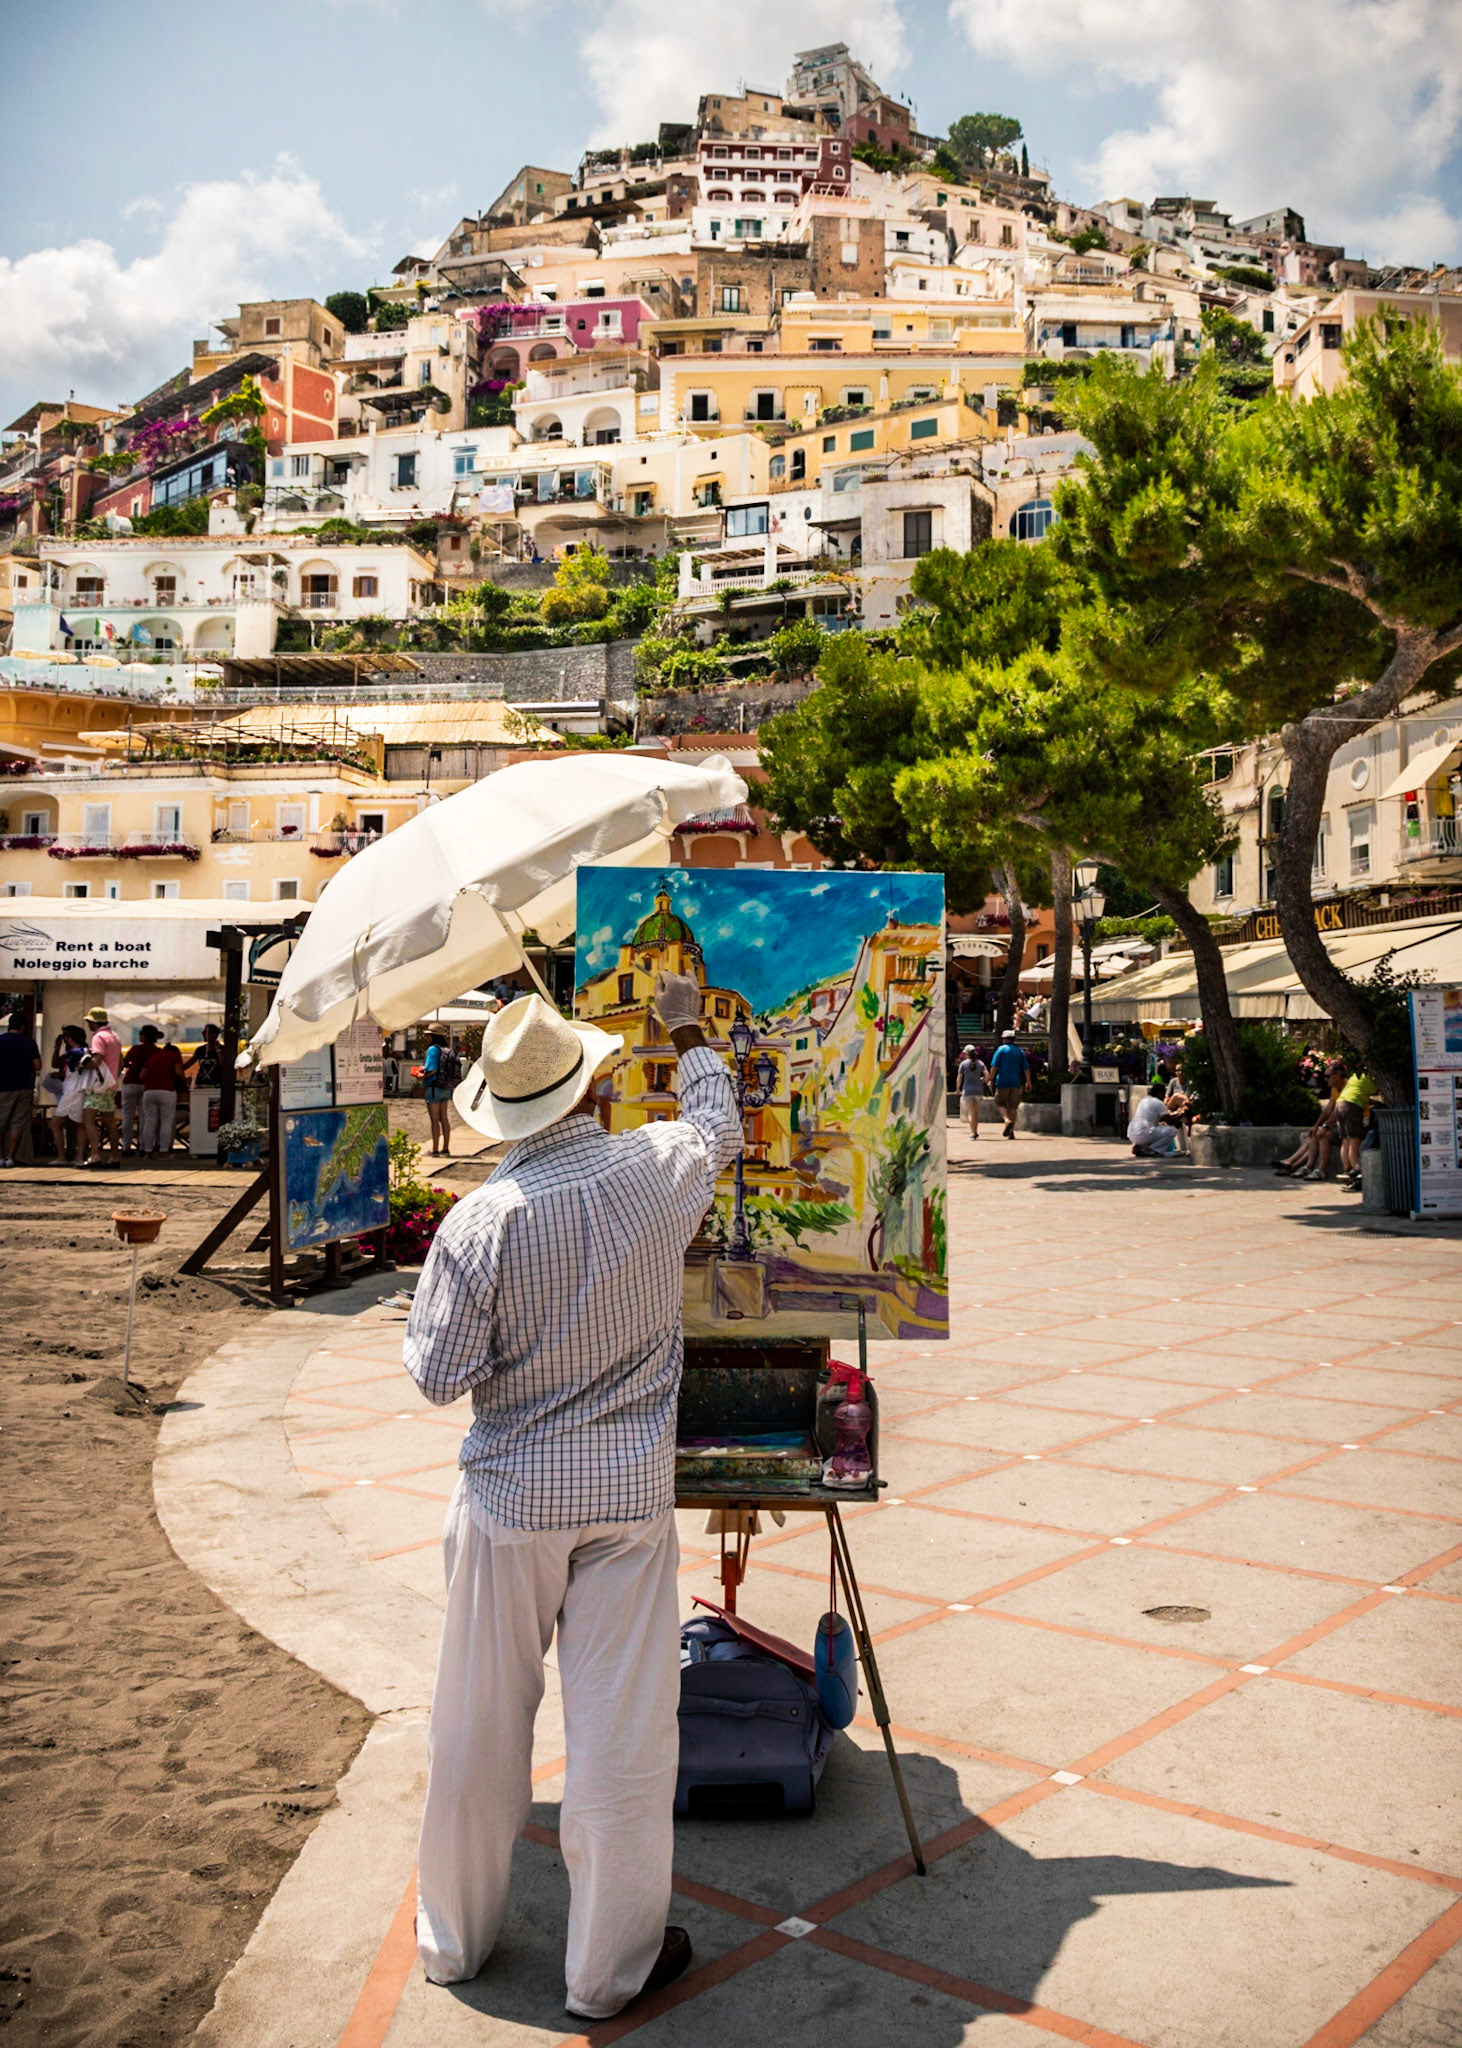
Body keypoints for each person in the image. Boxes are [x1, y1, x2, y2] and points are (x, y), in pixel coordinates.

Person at [403, 978, 740, 2019]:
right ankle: (606, 1971)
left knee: (477, 1722)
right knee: (623, 1735)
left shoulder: (481, 1219)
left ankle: (454, 1939)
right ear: (593, 1086)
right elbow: (717, 1118)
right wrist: (684, 1021)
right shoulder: (655, 1167)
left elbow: (438, 1374)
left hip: (511, 1502)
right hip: (627, 1497)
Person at [1274, 1059, 1345, 1180]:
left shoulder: (1347, 1088)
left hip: (1348, 1127)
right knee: (1313, 1134)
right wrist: (1317, 1124)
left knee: (1322, 1135)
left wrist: (1325, 1126)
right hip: (1340, 1125)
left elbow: (1338, 1110)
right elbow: (1328, 1109)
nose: (1326, 1079)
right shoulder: (1335, 1089)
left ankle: (1317, 1169)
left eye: (1328, 1076)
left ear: (1338, 1076)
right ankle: (1299, 1166)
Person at [79, 1005, 122, 1166]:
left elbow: (96, 1061)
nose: (89, 1025)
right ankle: (114, 1156)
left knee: (88, 1118)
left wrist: (80, 1065)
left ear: (94, 1022)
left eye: (89, 1022)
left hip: (99, 1085)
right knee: (110, 1122)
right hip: (110, 1085)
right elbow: (121, 1060)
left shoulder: (99, 1037)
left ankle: (95, 1155)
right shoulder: (115, 1036)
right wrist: (113, 1077)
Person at [0, 1010, 41, 1167]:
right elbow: (38, 1065)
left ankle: (0, 1157)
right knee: (17, 1122)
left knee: (1, 1122)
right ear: (23, 1027)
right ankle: (10, 1156)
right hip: (24, 1086)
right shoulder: (29, 1043)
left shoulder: (1, 1040)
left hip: (2, 1086)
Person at [138, 1030, 187, 1156]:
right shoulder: (174, 1056)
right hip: (167, 1091)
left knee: (149, 1121)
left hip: (149, 1092)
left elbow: (142, 1075)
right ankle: (164, 1150)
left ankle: (148, 1150)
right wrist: (184, 1083)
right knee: (167, 1121)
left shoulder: (153, 1057)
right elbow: (179, 1072)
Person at [48, 1026, 88, 1164]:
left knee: (55, 1124)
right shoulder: (85, 1052)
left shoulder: (75, 1054)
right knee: (80, 1125)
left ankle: (62, 1157)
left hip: (72, 1092)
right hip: (79, 1091)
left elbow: (69, 1070)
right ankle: (78, 1156)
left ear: (70, 1038)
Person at [1336, 1065, 1376, 1189]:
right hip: (1352, 1105)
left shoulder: (1356, 1075)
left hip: (1340, 1104)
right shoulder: (1372, 1077)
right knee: (1354, 1141)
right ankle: (1356, 1174)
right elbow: (1375, 1092)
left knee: (1345, 1140)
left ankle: (1347, 1170)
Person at [987, 1029, 1030, 1140]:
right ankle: (1011, 1132)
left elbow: (994, 1066)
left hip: (1002, 1081)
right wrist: (1028, 1082)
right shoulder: (1019, 1051)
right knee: (1013, 1107)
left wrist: (990, 1079)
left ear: (1005, 1039)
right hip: (1016, 1083)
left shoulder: (1001, 1050)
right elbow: (1026, 1068)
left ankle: (1007, 1121)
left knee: (1000, 1103)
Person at [119, 1029, 156, 1155]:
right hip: (146, 1085)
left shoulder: (135, 1049)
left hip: (130, 1083)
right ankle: (143, 1146)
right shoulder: (156, 1051)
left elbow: (124, 1063)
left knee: (127, 1116)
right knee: (144, 1117)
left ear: (144, 1036)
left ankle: (126, 1146)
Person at [422, 1030, 457, 1157]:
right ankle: (446, 1148)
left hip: (434, 1087)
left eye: (427, 1036)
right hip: (446, 1087)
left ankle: (435, 1149)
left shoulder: (432, 1050)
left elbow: (432, 1070)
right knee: (444, 1118)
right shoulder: (446, 1050)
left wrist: (421, 1076)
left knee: (435, 1120)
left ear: (432, 1037)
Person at [1128, 1082, 1182, 1157]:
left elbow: (1158, 1118)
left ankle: (1142, 1147)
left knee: (1156, 1130)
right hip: (1143, 1133)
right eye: (1164, 1094)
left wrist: (1174, 1115)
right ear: (1160, 1093)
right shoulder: (1158, 1103)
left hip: (1132, 1133)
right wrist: (1182, 1114)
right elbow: (1170, 1122)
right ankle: (1155, 1150)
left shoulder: (1144, 1100)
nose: (1164, 1097)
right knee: (1172, 1130)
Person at [956, 1044, 987, 1138]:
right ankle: (976, 1130)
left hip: (967, 1090)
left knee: (970, 1112)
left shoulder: (964, 1064)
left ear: (966, 1054)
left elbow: (959, 1078)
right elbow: (987, 1074)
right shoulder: (980, 1063)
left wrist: (958, 1088)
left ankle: (973, 1133)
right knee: (976, 1113)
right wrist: (983, 1080)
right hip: (978, 1090)